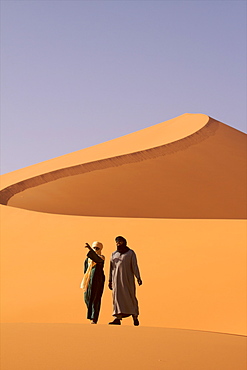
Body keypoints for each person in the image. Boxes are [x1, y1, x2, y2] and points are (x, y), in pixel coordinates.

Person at [108, 236, 142, 326]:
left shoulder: (130, 253)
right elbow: (111, 268)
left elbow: (134, 266)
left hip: (127, 280)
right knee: (117, 297)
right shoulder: (114, 254)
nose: (118, 243)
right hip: (116, 280)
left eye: (120, 242)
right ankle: (117, 318)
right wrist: (110, 280)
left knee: (130, 296)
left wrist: (138, 277)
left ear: (124, 242)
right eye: (117, 242)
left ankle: (135, 317)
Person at [80, 241, 105, 324]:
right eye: (94, 248)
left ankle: (94, 318)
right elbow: (85, 269)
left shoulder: (101, 258)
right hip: (88, 280)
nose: (95, 249)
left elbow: (96, 258)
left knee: (95, 299)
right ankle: (91, 314)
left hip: (97, 280)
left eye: (97, 248)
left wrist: (90, 249)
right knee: (87, 298)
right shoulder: (88, 260)